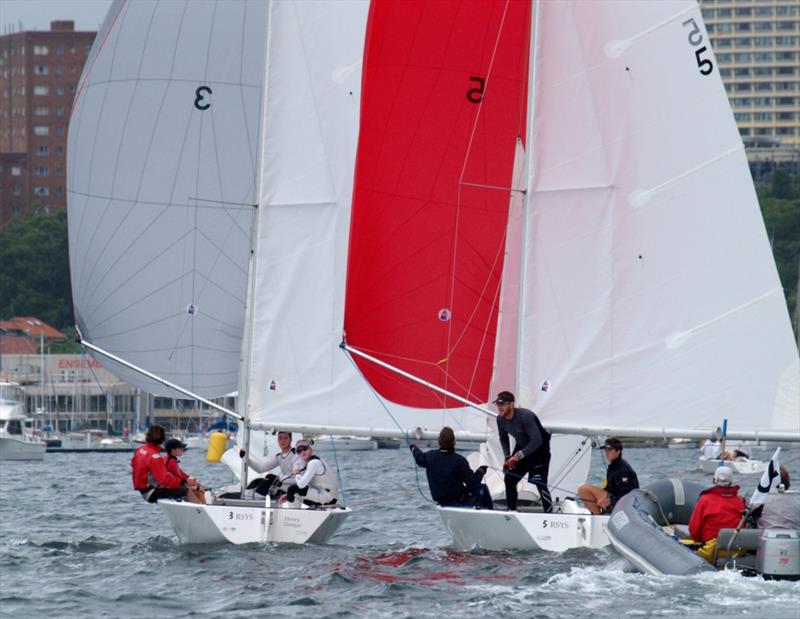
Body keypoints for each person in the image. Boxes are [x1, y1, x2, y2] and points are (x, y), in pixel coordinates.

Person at [493, 390, 552, 512]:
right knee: (509, 479)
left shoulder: (525, 416)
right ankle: (512, 511)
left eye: (502, 404)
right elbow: (503, 438)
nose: (500, 407)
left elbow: (537, 440)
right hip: (522, 448)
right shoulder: (500, 419)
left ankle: (549, 512)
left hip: (539, 450)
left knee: (539, 482)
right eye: (498, 405)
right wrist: (507, 457)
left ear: (511, 404)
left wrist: (518, 456)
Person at [410, 427, 493, 509]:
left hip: (442, 502)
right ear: (454, 442)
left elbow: (419, 458)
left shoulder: (430, 456)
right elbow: (473, 483)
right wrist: (481, 470)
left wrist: (414, 448)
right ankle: (490, 515)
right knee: (482, 488)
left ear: (439, 441)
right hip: (458, 502)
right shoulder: (459, 461)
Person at [130, 426, 204, 504]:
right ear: (162, 439)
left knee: (186, 488)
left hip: (145, 490)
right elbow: (164, 480)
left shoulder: (140, 450)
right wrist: (183, 482)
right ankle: (201, 510)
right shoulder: (155, 456)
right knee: (187, 490)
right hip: (151, 492)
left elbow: (134, 465)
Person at [688, 466, 745, 561]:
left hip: (712, 550)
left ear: (714, 480)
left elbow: (694, 529)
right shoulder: (740, 501)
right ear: (731, 482)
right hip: (737, 549)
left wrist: (700, 541)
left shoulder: (705, 500)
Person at [577, 437, 639, 515]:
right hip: (613, 499)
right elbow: (610, 488)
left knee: (584, 488)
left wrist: (611, 500)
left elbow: (629, 493)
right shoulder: (613, 466)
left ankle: (600, 516)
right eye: (605, 450)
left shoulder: (624, 470)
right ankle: (597, 517)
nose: (606, 453)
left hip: (624, 504)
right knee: (582, 490)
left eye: (609, 450)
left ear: (618, 451)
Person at [239, 431, 300, 497]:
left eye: (286, 438)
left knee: (269, 480)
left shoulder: (296, 454)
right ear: (277, 440)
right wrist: (246, 458)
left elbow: (298, 477)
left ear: (291, 440)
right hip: (282, 485)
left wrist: (280, 479)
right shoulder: (279, 456)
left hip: (293, 487)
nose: (283, 441)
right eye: (280, 438)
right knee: (259, 481)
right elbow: (261, 469)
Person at [280, 440, 339, 507]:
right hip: (327, 495)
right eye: (299, 451)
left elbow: (301, 485)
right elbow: (306, 484)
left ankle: (293, 515)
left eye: (304, 449)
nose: (302, 452)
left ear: (311, 449)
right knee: (293, 492)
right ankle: (295, 514)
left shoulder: (314, 463)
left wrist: (297, 473)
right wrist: (288, 495)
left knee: (293, 489)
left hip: (328, 497)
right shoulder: (312, 461)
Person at [163, 438, 206, 504]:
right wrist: (196, 486)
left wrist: (190, 478)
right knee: (200, 491)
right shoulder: (172, 462)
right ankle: (201, 508)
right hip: (172, 489)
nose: (182, 450)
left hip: (169, 487)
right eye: (180, 448)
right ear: (173, 450)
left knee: (198, 490)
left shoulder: (167, 458)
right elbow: (180, 480)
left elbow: (180, 473)